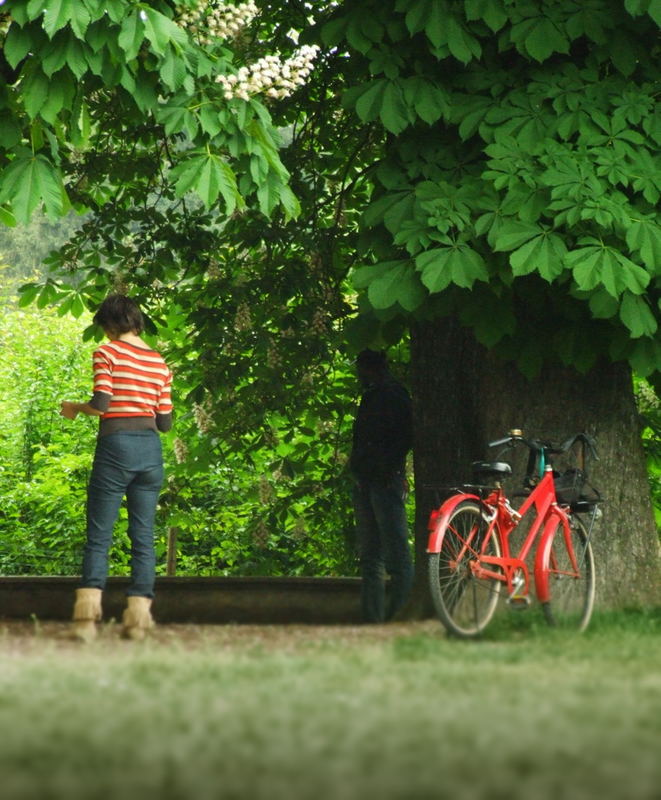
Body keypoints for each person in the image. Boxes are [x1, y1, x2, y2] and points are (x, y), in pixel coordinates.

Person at [60, 294, 173, 641]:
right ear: (137, 322)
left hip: (116, 448)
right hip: (151, 452)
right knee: (143, 537)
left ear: (109, 325)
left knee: (99, 536)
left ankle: (85, 622)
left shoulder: (106, 353)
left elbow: (102, 403)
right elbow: (165, 424)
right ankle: (138, 620)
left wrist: (75, 407)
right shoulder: (159, 363)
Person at [350, 349, 413, 623]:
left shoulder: (393, 394)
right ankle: (373, 618)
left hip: (383, 480)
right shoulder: (374, 394)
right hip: (367, 480)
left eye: (361, 369)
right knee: (371, 556)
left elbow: (405, 436)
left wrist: (389, 469)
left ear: (369, 368)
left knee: (394, 555)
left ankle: (396, 616)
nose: (358, 375)